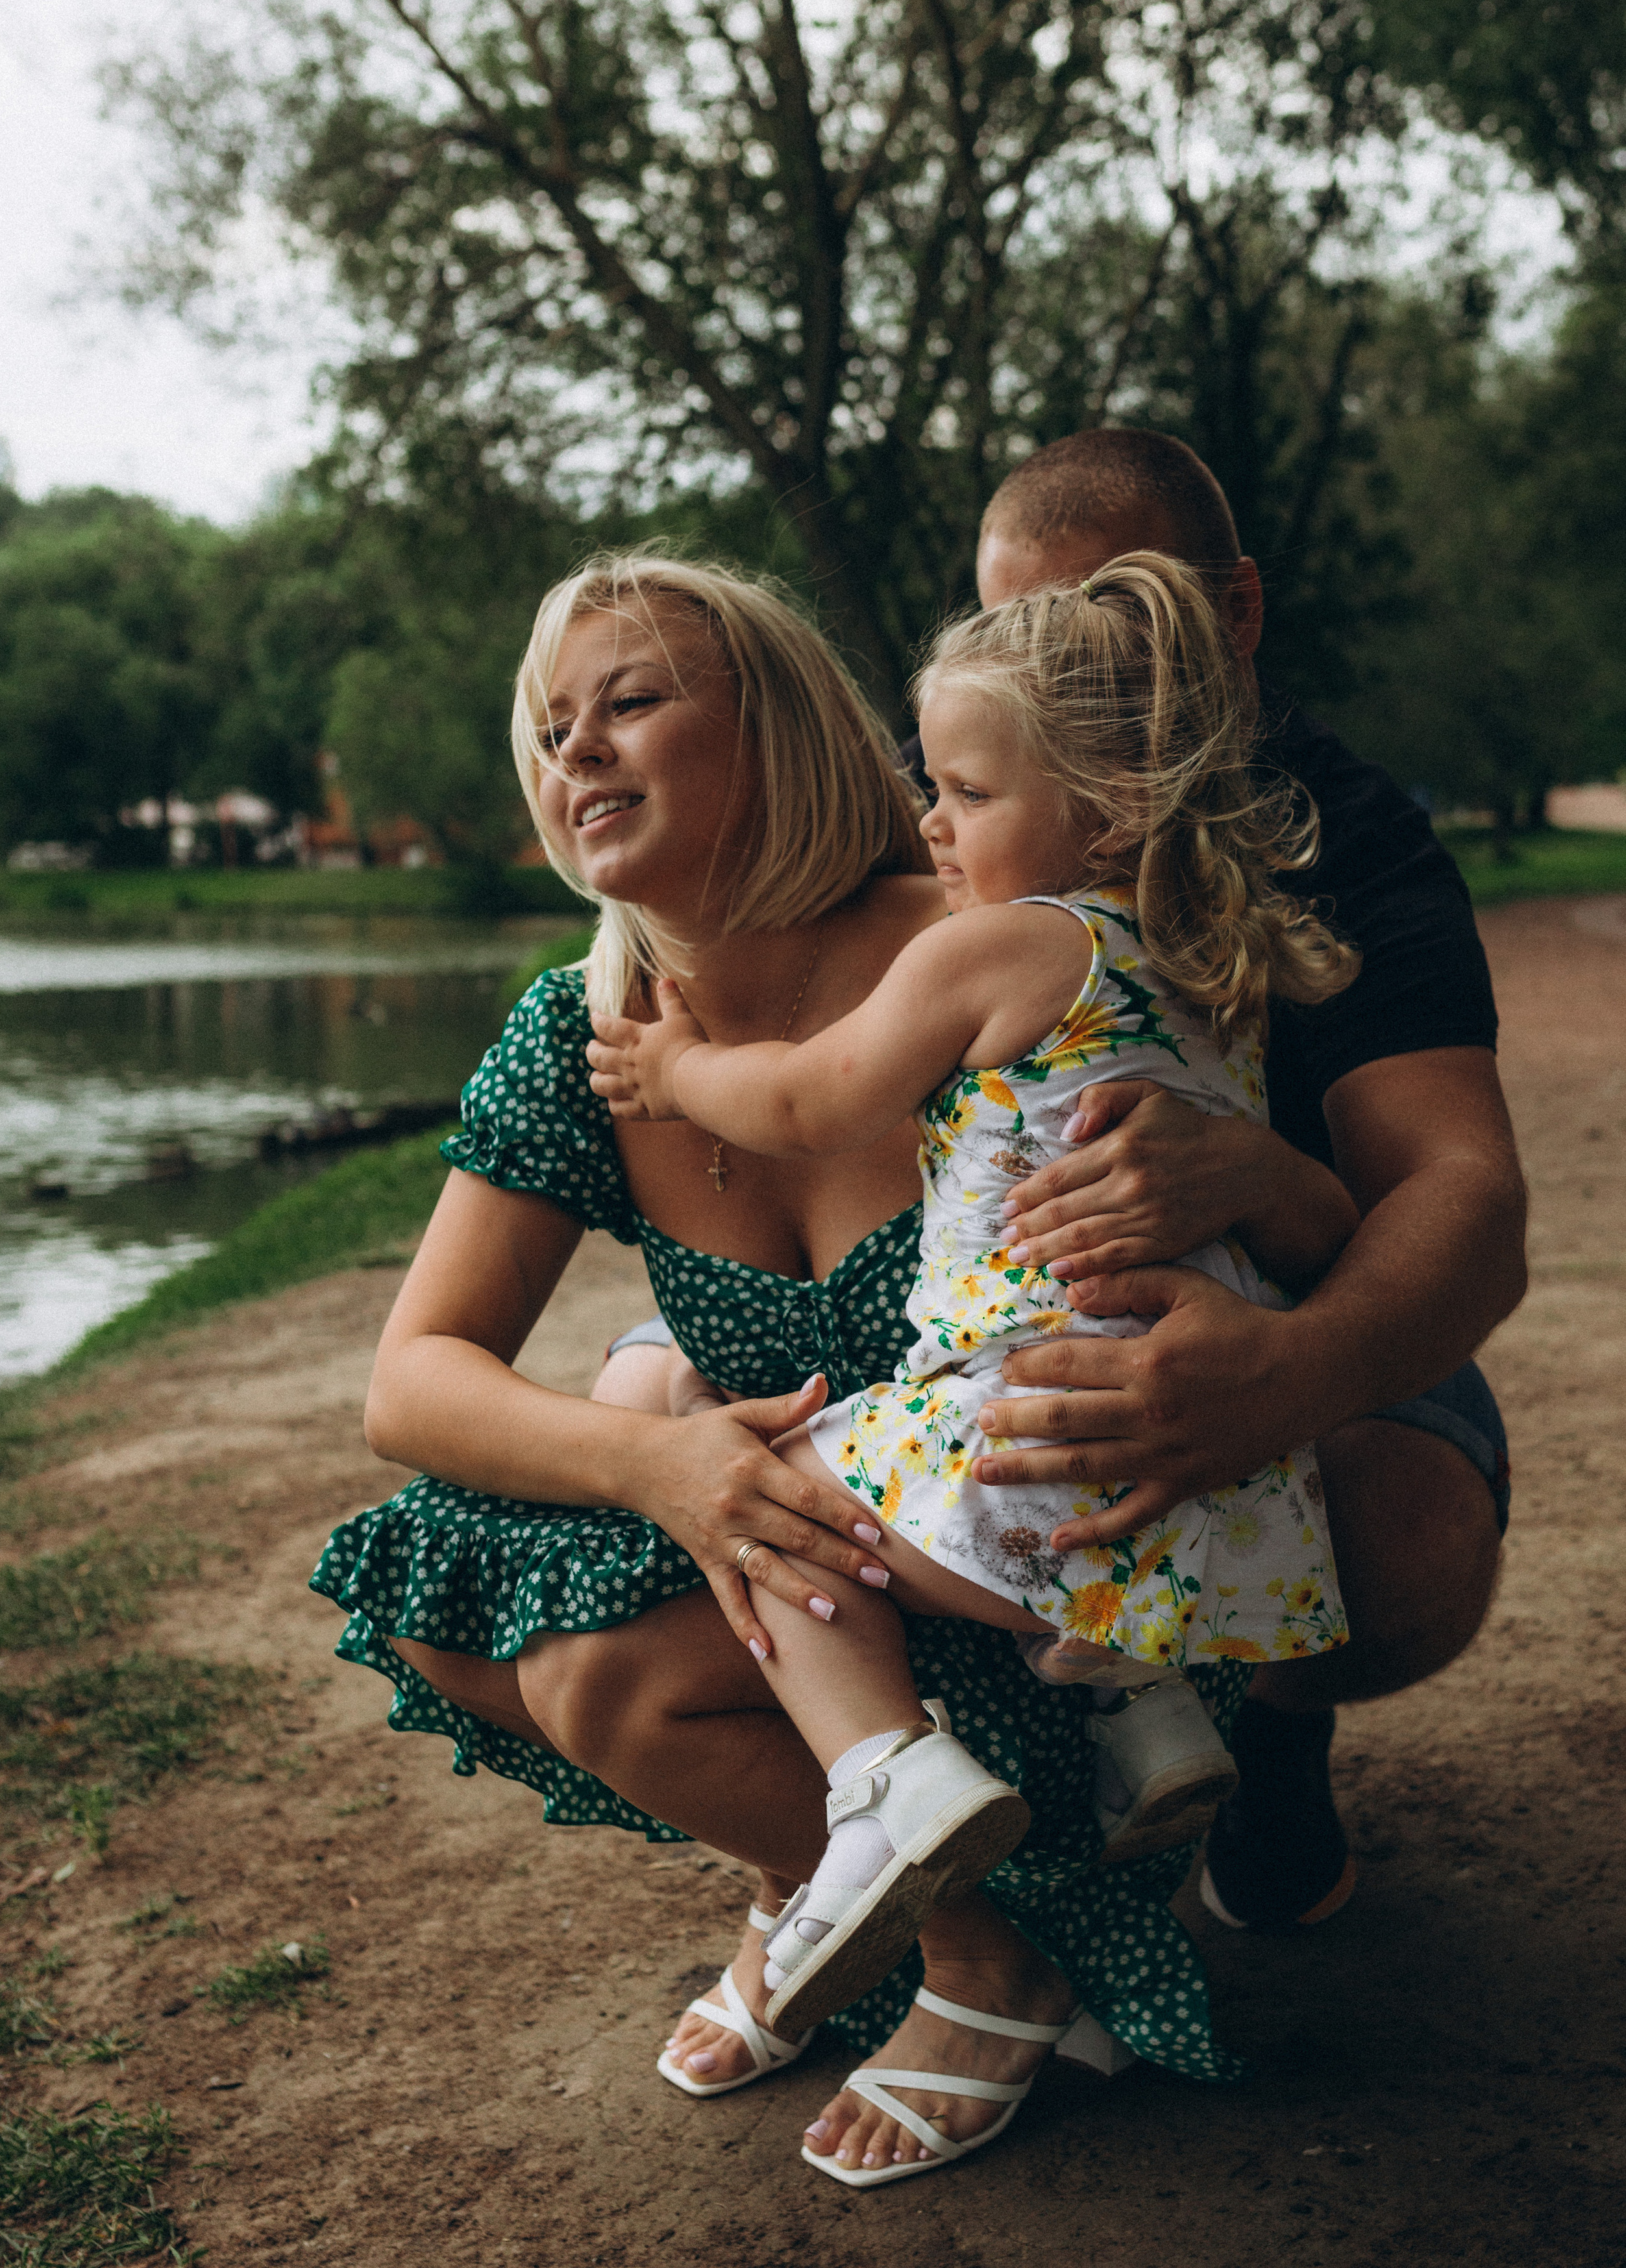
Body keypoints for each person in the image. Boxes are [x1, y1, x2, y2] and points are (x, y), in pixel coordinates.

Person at [312, 551, 1259, 2193]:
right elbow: (410, 1382)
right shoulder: (587, 1030)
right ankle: (835, 1860)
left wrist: (1241, 1173)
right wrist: (663, 1464)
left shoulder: (980, 943)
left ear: (780, 731)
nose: (576, 752)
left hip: (1059, 1613)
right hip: (825, 1595)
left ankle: (986, 1953)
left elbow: (1241, 1157)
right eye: (550, 727)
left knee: (604, 1671)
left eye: (630, 702)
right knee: (436, 1581)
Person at [606, 427, 1523, 1941]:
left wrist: (1278, 1328)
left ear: (1228, 611)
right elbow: (782, 922)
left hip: (1227, 1316)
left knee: (801, 1503)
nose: (1063, 668)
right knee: (665, 1377)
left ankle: (1162, 1744)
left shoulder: (1321, 844)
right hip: (941, 1305)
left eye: (1108, 625)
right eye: (1016, 632)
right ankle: (1120, 1711)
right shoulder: (988, 806)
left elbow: (1459, 1198)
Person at [584, 554, 1361, 2098]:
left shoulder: (998, 944)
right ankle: (1140, 1708)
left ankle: (884, 1776)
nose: (926, 823)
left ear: (1108, 810)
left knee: (775, 1490)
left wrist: (675, 1078)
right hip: (1211, 1485)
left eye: (960, 789)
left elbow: (813, 1096)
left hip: (1029, 1431)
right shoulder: (1200, 969)